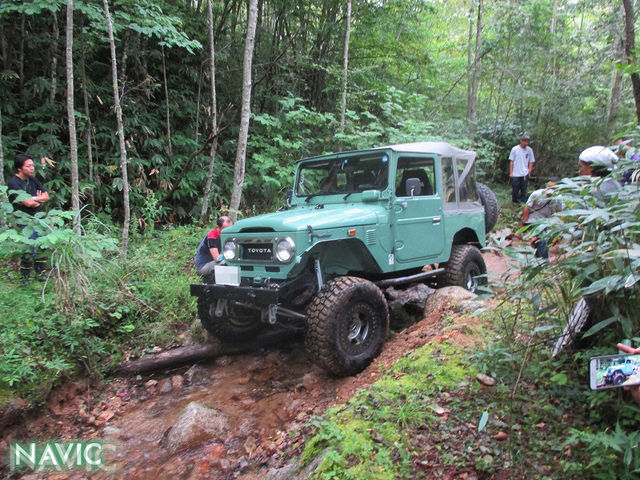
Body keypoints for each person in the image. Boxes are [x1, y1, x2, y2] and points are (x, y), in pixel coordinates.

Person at [7, 153, 51, 283]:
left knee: (42, 245)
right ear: (19, 168)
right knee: (29, 247)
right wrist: (36, 199)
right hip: (24, 219)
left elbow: (46, 196)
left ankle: (41, 274)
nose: (32, 168)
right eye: (28, 166)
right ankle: (25, 278)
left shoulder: (32, 180)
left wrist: (34, 199)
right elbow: (28, 203)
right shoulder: (13, 183)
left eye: (32, 165)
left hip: (39, 217)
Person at [521, 177, 563, 260]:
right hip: (533, 221)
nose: (550, 190)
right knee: (543, 238)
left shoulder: (558, 198)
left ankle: (537, 256)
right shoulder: (536, 194)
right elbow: (527, 207)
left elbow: (559, 213)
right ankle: (544, 261)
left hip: (546, 222)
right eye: (549, 187)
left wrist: (559, 229)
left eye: (553, 188)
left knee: (543, 239)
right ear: (547, 185)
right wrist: (524, 223)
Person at [195, 215, 233, 280]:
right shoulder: (212, 235)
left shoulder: (228, 235)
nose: (228, 231)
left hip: (215, 263)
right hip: (204, 266)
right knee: (229, 263)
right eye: (225, 229)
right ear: (218, 227)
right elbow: (217, 258)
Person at [509, 134, 535, 204]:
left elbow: (531, 161)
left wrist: (529, 172)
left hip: (525, 173)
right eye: (524, 141)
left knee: (524, 189)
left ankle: (522, 203)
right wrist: (511, 172)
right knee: (515, 189)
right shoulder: (515, 149)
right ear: (521, 141)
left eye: (527, 141)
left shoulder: (529, 150)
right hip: (516, 173)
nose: (525, 143)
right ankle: (515, 201)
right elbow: (511, 161)